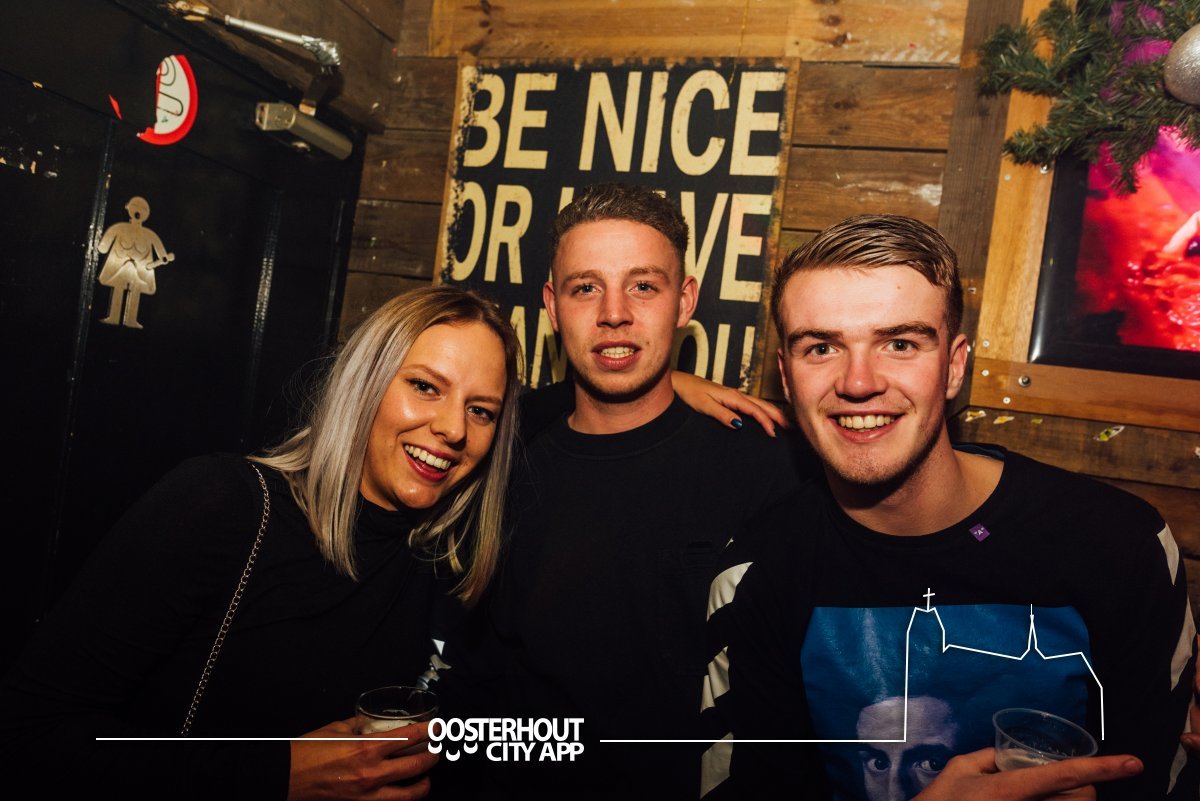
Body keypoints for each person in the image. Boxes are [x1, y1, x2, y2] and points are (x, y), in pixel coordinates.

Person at [703, 214, 1198, 800]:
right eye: (821, 347)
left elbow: (1155, 778)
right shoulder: (757, 576)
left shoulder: (1120, 545)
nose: (858, 382)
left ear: (955, 365)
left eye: (900, 344)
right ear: (786, 378)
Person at [0, 285, 523, 800]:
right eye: (425, 386)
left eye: (481, 411)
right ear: (365, 382)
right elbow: (29, 734)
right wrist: (278, 775)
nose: (454, 428)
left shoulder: (450, 568)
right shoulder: (221, 506)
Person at [436, 183, 810, 800]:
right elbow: (478, 684)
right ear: (553, 307)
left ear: (683, 301)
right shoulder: (497, 457)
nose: (614, 313)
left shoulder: (769, 467)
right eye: (586, 288)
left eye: (643, 286)